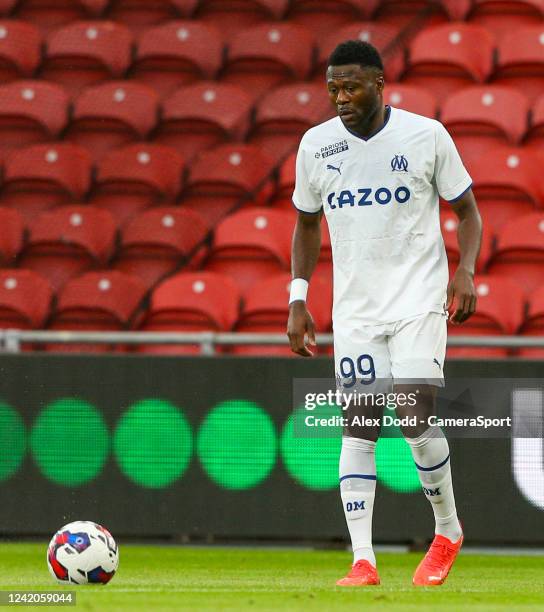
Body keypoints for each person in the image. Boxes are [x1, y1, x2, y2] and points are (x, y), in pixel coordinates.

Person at [287, 40, 482, 587]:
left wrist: (465, 270)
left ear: (379, 83)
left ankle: (447, 530)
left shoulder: (425, 135)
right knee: (359, 426)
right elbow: (305, 223)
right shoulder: (316, 145)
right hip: (355, 312)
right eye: (332, 89)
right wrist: (298, 296)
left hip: (419, 298)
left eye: (350, 87)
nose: (340, 98)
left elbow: (466, 210)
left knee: (414, 414)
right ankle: (363, 560)